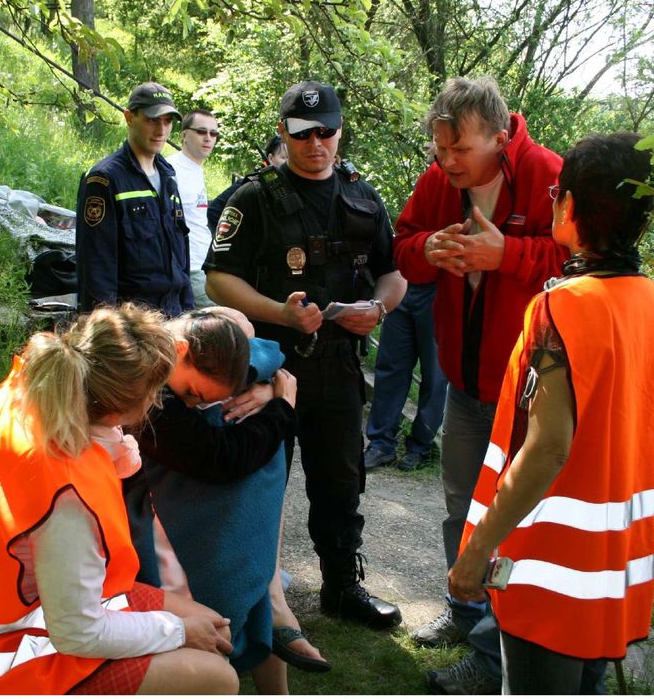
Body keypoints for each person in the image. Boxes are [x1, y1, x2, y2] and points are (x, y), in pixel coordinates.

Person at [449, 133, 654, 694]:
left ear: (567, 206)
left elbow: (549, 447)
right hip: (614, 566)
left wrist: (474, 554)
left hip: (550, 569)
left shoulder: (559, 307)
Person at [0, 304, 238, 695]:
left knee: (212, 630)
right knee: (219, 677)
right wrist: (177, 631)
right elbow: (79, 635)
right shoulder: (70, 487)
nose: (157, 402)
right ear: (124, 405)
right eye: (155, 392)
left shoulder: (24, 391)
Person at [205, 80, 407, 629]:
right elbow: (219, 280)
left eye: (326, 132)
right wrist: (280, 312)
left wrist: (379, 309)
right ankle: (244, 596)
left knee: (341, 483)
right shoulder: (255, 198)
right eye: (302, 134)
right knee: (256, 480)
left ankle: (342, 588)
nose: (316, 143)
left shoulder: (363, 197)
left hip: (339, 368)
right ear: (283, 133)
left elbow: (393, 275)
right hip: (270, 365)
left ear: (340, 131)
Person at [392, 77, 565, 693]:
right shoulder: (442, 182)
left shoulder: (548, 173)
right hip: (463, 385)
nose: (447, 162)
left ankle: (494, 656)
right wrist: (429, 248)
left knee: (512, 524)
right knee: (461, 508)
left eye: (458, 149)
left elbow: (576, 265)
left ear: (499, 134)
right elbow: (403, 247)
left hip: (527, 395)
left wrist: (507, 255)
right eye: (439, 150)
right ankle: (463, 612)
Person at [135, 308, 329, 694]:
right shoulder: (149, 392)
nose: (191, 403)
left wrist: (268, 386)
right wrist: (280, 406)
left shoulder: (186, 355)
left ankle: (270, 600)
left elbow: (265, 350)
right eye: (193, 394)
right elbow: (221, 460)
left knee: (249, 449)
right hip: (150, 507)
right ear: (179, 348)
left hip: (189, 486)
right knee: (243, 468)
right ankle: (269, 604)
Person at [75, 82, 192, 316]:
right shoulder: (105, 179)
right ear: (129, 117)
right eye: (152, 120)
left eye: (168, 121)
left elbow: (181, 255)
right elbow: (96, 266)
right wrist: (106, 333)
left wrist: (189, 310)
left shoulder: (168, 175)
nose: (161, 130)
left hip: (174, 314)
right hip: (133, 323)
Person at [362, 278, 447, 472]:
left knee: (435, 375)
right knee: (390, 367)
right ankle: (381, 444)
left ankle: (420, 447)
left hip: (440, 288)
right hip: (402, 283)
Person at [167, 109, 220, 307]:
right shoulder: (171, 169)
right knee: (229, 324)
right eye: (201, 132)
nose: (208, 138)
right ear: (184, 135)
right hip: (190, 268)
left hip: (207, 265)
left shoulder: (196, 169)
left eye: (213, 134)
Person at [207, 135, 288, 229]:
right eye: (284, 157)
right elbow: (213, 211)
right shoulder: (250, 184)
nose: (288, 162)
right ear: (270, 158)